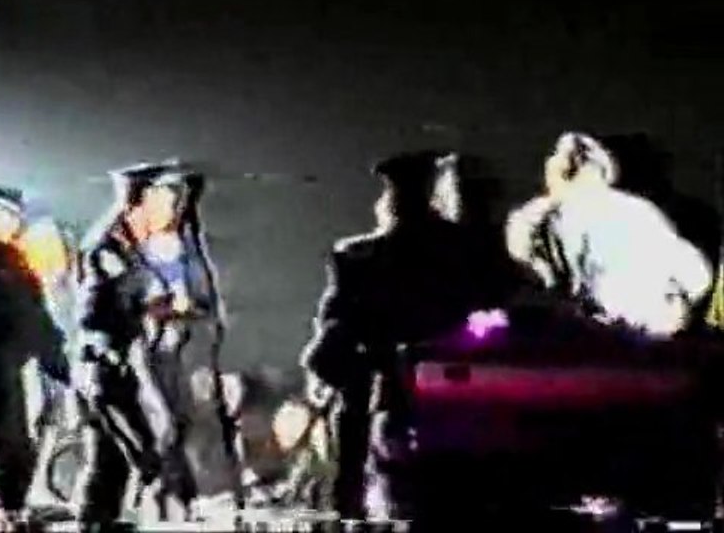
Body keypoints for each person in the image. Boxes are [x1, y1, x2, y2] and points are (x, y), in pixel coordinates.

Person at [300, 150, 482, 520]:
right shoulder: (459, 250)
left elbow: (335, 317)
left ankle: (349, 502)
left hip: (379, 377)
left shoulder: (358, 256)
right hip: (442, 376)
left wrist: (326, 363)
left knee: (353, 424)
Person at [74, 161, 225, 524]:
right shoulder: (108, 251)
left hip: (125, 371)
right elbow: (94, 315)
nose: (169, 211)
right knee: (149, 461)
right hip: (108, 374)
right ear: (136, 204)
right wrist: (154, 306)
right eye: (160, 201)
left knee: (110, 468)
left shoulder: (134, 250)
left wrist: (167, 307)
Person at [505, 132, 712, 335]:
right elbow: (696, 278)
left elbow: (534, 277)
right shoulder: (639, 210)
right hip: (644, 330)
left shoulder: (532, 218)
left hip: (587, 331)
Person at [0, 185, 70, 515]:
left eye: (13, 217)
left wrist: (56, 359)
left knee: (8, 449)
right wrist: (54, 358)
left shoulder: (10, 262)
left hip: (6, 369)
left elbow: (35, 317)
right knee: (3, 448)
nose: (10, 224)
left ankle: (1, 508)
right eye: (2, 216)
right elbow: (25, 319)